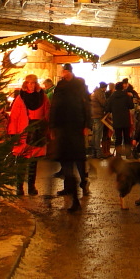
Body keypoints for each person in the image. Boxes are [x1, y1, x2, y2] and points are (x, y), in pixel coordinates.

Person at [48, 64, 90, 212]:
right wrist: (52, 126)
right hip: (63, 129)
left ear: (70, 72)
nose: (64, 73)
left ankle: (83, 183)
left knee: (78, 160)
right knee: (66, 163)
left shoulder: (79, 85)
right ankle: (73, 195)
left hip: (76, 128)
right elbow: (54, 106)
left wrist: (86, 124)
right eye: (63, 71)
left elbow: (86, 106)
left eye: (66, 71)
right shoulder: (60, 86)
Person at [7, 74, 49, 196]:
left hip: (37, 133)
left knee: (33, 162)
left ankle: (31, 187)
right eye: (29, 82)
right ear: (26, 84)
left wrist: (47, 130)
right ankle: (19, 187)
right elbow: (14, 117)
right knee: (20, 161)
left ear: (36, 84)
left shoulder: (43, 97)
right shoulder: (20, 98)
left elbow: (47, 114)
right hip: (23, 134)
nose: (31, 85)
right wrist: (13, 134)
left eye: (33, 82)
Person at [106, 81, 134, 155]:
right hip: (125, 120)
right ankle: (128, 154)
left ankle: (118, 155)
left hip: (116, 120)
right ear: (122, 87)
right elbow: (131, 106)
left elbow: (108, 109)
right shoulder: (126, 96)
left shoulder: (112, 97)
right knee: (127, 138)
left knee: (118, 138)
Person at [90, 81, 110, 159]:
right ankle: (98, 153)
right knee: (98, 135)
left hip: (94, 115)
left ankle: (94, 152)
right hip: (98, 115)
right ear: (104, 87)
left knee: (95, 134)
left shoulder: (95, 92)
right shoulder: (99, 93)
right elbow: (103, 103)